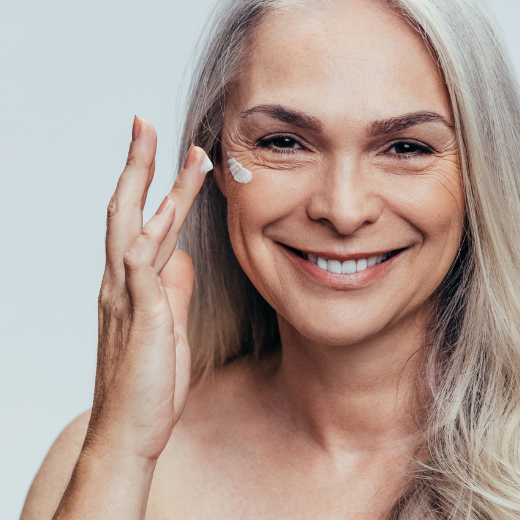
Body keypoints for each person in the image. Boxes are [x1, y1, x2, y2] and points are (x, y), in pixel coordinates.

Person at [20, 0, 520, 518]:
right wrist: (120, 451)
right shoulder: (110, 456)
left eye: (406, 148)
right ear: (212, 159)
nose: (343, 211)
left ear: (480, 171)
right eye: (284, 142)